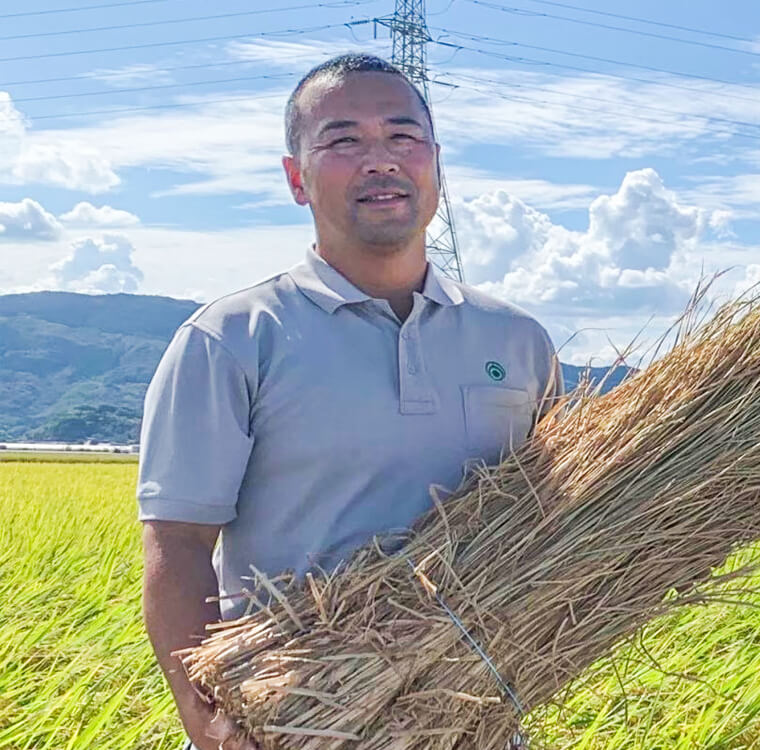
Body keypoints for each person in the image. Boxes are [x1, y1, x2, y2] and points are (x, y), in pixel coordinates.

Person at [136, 54, 557, 750]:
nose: (380, 160)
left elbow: (556, 519)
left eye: (402, 137)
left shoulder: (518, 340)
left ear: (436, 164)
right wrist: (205, 719)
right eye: (343, 141)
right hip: (292, 725)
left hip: (475, 725)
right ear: (296, 178)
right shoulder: (231, 338)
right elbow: (176, 543)